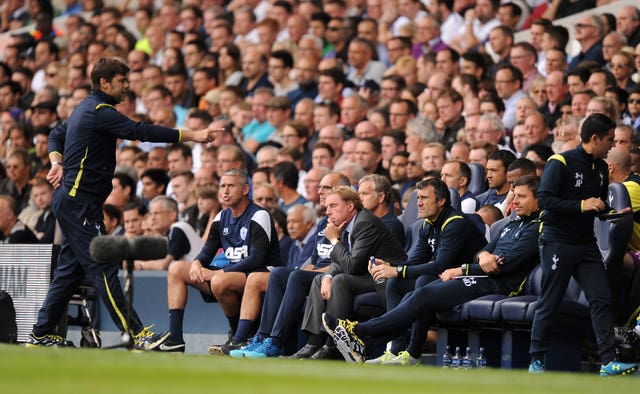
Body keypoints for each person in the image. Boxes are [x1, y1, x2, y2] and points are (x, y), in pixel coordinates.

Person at [28, 57, 220, 349]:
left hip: (78, 203)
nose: (127, 86)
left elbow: (56, 135)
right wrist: (192, 135)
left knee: (69, 271)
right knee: (101, 266)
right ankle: (136, 334)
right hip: (79, 203)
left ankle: (41, 333)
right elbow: (140, 132)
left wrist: (56, 162)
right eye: (122, 81)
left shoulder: (84, 107)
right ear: (104, 83)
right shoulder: (100, 111)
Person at [322, 175, 542, 364]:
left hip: (500, 284)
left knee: (423, 289)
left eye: (522, 197)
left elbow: (504, 265)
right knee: (404, 285)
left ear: (441, 200)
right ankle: (391, 348)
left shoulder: (534, 227)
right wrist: (394, 269)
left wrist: (462, 270)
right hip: (472, 275)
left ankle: (364, 334)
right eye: (417, 198)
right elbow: (483, 253)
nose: (418, 203)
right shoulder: (512, 225)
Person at [528, 113, 639, 376]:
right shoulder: (561, 162)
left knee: (601, 298)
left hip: (585, 244)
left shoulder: (600, 167)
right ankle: (536, 360)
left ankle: (608, 361)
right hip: (558, 241)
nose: (613, 145)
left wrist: (613, 212)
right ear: (595, 138)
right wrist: (581, 205)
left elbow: (596, 206)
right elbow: (544, 200)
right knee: (550, 299)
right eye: (610, 140)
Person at [162, 169, 281, 353]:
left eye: (231, 186)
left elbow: (257, 258)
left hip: (263, 273)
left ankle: (239, 337)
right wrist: (197, 264)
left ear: (245, 189)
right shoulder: (221, 217)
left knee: (219, 281)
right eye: (222, 186)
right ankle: (175, 339)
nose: (225, 191)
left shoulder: (259, 215)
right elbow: (207, 251)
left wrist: (219, 273)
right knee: (176, 268)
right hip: (232, 274)